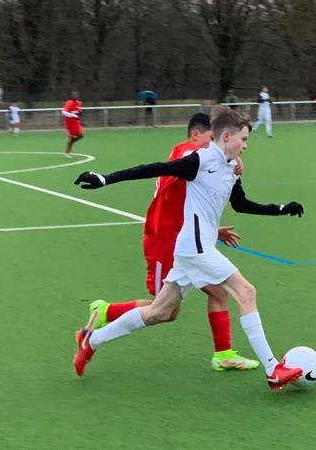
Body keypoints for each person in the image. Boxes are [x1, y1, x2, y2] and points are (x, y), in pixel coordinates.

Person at [72, 106, 306, 390]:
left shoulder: (231, 168)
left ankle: (91, 341)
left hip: (190, 249)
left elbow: (241, 204)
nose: (246, 146)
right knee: (246, 292)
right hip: (195, 248)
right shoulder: (199, 160)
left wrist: (281, 208)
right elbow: (155, 168)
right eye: (243, 139)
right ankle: (273, 369)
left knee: (159, 311)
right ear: (227, 137)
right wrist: (105, 178)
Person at [87, 113, 260, 372]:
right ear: (195, 136)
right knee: (165, 311)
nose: (215, 144)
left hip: (186, 237)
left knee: (217, 291)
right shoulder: (188, 151)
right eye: (210, 138)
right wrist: (233, 160)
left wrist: (231, 163)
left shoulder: (202, 157)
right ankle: (105, 313)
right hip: (164, 240)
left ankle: (223, 354)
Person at [61, 90, 84, 155]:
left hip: (76, 122)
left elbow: (78, 111)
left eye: (76, 95)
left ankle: (71, 143)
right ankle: (69, 148)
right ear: (71, 96)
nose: (75, 96)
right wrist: (72, 115)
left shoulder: (79, 103)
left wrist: (80, 113)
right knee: (72, 137)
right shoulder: (69, 102)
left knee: (81, 135)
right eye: (74, 95)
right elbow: (63, 112)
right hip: (70, 123)